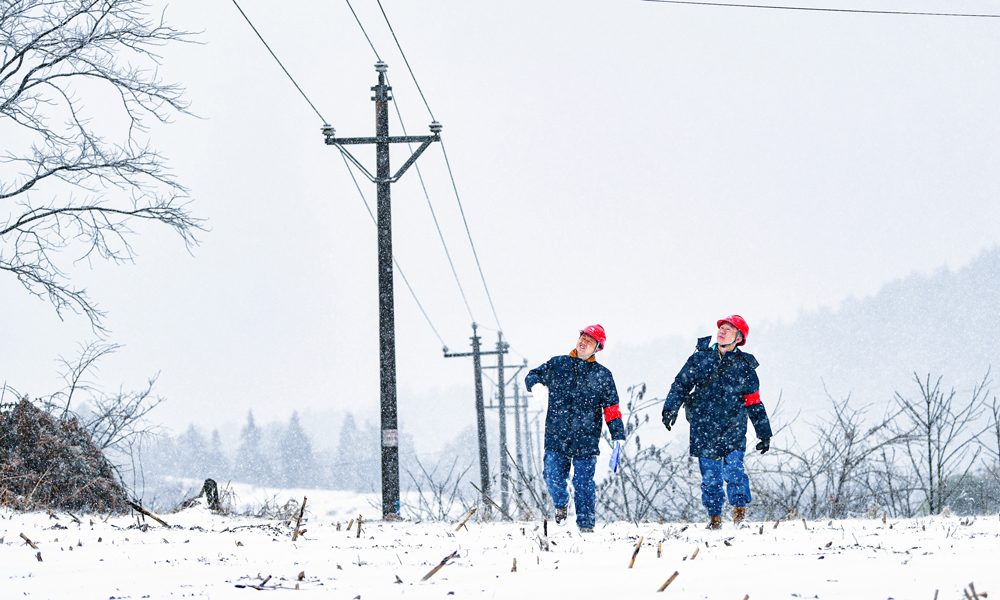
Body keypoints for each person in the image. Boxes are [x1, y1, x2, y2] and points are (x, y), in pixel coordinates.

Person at [661, 315, 772, 530]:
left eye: (729, 329)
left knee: (735, 471)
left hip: (733, 429)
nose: (722, 331)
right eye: (721, 327)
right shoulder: (700, 358)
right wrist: (670, 408)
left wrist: (764, 433)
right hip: (704, 429)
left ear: (739, 338)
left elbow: (754, 402)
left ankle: (739, 518)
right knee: (711, 478)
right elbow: (680, 385)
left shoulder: (744, 366)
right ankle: (714, 521)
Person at [525, 324, 626, 533]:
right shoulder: (558, 364)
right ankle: (561, 503)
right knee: (552, 476)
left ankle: (586, 525)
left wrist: (618, 434)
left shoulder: (603, 375)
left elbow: (612, 408)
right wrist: (535, 384)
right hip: (556, 436)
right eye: (583, 337)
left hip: (586, 439)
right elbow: (533, 374)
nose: (584, 342)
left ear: (597, 348)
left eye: (590, 341)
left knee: (583, 483)